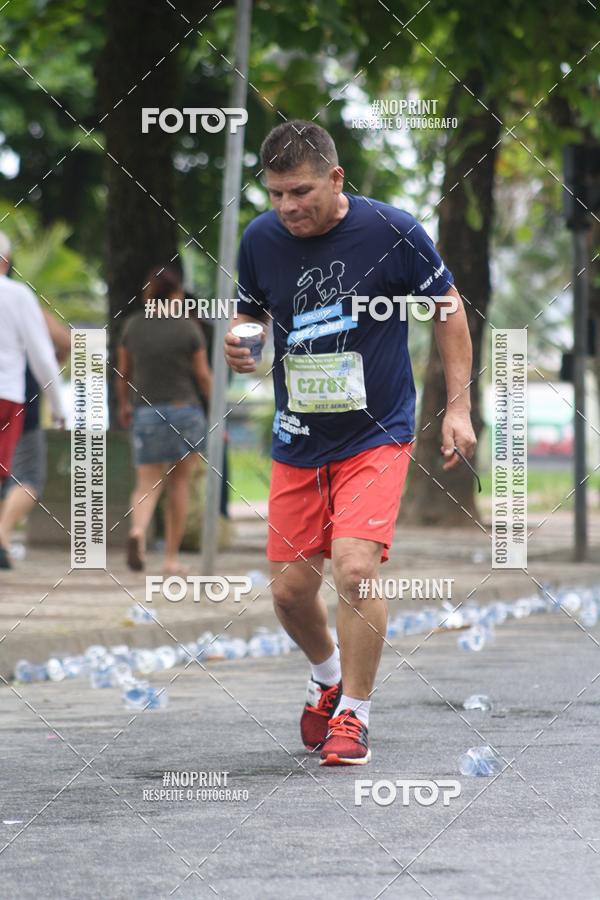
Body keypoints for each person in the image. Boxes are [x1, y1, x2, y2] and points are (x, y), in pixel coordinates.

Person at [225, 121, 476, 766]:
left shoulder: (390, 230)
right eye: (276, 193)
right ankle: (327, 678)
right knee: (287, 591)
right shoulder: (260, 238)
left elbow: (449, 309)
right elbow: (250, 312)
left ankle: (355, 716)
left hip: (377, 431)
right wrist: (243, 341)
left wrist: (458, 408)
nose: (287, 208)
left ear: (336, 179)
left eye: (300, 192)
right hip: (298, 437)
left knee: (356, 569)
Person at [116, 266, 212, 575]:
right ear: (176, 293)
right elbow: (202, 375)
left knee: (146, 483)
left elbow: (124, 374)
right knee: (179, 483)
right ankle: (171, 559)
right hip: (185, 411)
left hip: (146, 412)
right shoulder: (188, 328)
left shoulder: (132, 327)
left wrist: (123, 404)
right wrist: (215, 407)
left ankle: (138, 532)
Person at [0, 231, 66, 569]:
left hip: (17, 394)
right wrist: (57, 403)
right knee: (27, 476)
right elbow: (54, 348)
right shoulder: (22, 299)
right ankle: (1, 537)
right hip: (14, 396)